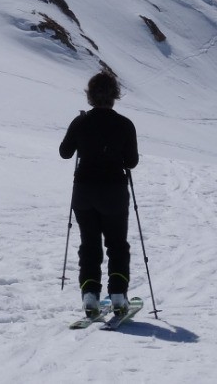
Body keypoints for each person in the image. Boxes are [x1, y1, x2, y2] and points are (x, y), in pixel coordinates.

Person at [59, 71, 139, 317]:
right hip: (114, 191)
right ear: (114, 95)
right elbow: (132, 162)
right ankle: (117, 295)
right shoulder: (124, 124)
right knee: (117, 244)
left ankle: (90, 295)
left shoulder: (81, 122)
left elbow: (65, 152)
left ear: (90, 96)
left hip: (84, 192)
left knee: (89, 244)